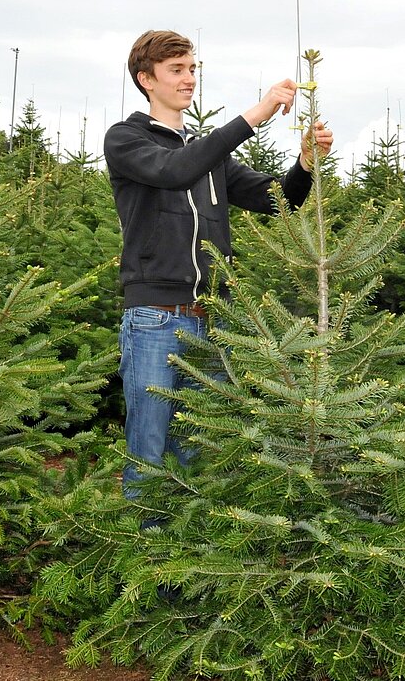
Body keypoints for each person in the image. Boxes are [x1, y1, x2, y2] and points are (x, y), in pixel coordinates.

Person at [106, 30, 333, 498]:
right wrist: (255, 115)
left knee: (197, 447)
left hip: (212, 322)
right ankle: (142, 554)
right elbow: (173, 171)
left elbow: (279, 201)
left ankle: (190, 548)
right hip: (154, 319)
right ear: (146, 79)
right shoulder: (126, 139)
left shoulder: (208, 156)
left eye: (192, 69)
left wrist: (306, 164)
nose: (189, 79)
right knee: (147, 450)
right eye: (177, 70)